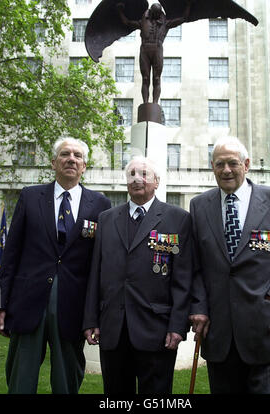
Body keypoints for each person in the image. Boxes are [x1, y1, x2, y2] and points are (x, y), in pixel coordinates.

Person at [0, 137, 111, 394]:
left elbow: (100, 265)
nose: (71, 159)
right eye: (65, 154)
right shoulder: (30, 196)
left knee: (66, 381)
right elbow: (10, 255)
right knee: (20, 380)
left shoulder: (100, 204)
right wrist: (0, 304)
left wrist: (95, 314)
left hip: (73, 307)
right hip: (27, 304)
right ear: (53, 162)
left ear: (84, 166)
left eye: (77, 156)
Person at [189, 136, 270, 394]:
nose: (226, 170)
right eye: (219, 164)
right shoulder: (199, 206)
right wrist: (199, 307)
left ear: (246, 165)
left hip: (268, 329)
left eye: (232, 163)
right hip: (219, 333)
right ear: (212, 167)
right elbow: (194, 265)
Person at [83, 156, 193, 394]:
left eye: (143, 174)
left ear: (157, 181)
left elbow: (183, 279)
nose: (136, 179)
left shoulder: (178, 218)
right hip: (113, 329)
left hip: (157, 330)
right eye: (131, 174)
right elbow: (96, 273)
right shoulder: (107, 219)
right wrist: (91, 319)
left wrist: (178, 326)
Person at [116, 0, 192, 104]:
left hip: (157, 49)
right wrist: (120, 11)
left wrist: (188, 4)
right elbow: (127, 22)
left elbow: (183, 18)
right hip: (144, 50)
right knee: (145, 78)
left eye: (158, 13)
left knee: (157, 78)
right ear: (151, 12)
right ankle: (146, 103)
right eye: (155, 13)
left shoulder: (166, 23)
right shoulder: (142, 22)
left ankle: (155, 103)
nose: (157, 15)